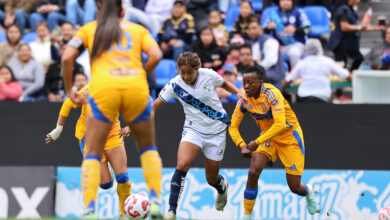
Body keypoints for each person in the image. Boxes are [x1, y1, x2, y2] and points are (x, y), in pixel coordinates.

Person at [61, 0, 163, 217]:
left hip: (104, 88)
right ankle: (155, 200)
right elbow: (156, 55)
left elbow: (67, 57)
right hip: (135, 87)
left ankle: (89, 209)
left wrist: (70, 89)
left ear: (98, 8)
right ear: (123, 10)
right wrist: (140, 74)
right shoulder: (137, 29)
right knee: (147, 148)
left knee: (92, 152)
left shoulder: (90, 29)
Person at [152, 52, 246, 219]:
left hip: (216, 131)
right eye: (183, 72)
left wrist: (238, 91)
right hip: (193, 129)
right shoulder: (175, 85)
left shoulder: (208, 75)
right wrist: (135, 124)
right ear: (178, 70)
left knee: (211, 179)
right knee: (182, 164)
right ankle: (171, 211)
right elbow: (155, 105)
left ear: (197, 69)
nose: (186, 76)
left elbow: (225, 83)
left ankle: (222, 186)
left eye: (190, 72)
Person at [228, 65, 319, 220]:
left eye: (251, 83)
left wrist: (256, 142)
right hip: (268, 137)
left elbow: (280, 124)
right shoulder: (243, 98)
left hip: (290, 138)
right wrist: (241, 145)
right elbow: (232, 127)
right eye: (244, 82)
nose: (246, 86)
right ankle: (247, 216)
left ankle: (308, 192)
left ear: (260, 83)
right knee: (253, 172)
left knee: (294, 187)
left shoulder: (272, 94)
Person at [45, 81, 136, 218]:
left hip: (112, 134)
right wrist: (58, 129)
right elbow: (68, 104)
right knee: (105, 184)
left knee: (123, 176)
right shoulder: (91, 89)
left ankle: (124, 214)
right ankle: (105, 172)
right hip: (89, 136)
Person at [282, 38, 350, 103]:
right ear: (320, 48)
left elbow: (288, 80)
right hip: (322, 97)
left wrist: (282, 91)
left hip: (304, 97)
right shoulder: (327, 61)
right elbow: (345, 74)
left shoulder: (302, 63)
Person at [328, 0, 380, 72]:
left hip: (348, 44)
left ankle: (350, 75)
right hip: (340, 43)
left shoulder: (351, 9)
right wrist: (359, 27)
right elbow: (344, 27)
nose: (358, 1)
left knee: (359, 59)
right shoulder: (343, 10)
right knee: (342, 66)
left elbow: (357, 25)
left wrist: (377, 27)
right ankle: (346, 78)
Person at [262, 0, 311, 67]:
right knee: (269, 53)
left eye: (288, 0)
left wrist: (295, 30)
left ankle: (297, 75)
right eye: (283, 0)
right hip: (279, 46)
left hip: (297, 44)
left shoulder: (299, 12)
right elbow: (262, 32)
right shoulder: (273, 14)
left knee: (293, 53)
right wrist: (268, 28)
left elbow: (308, 30)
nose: (285, 2)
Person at [247, 19, 285, 85]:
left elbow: (271, 61)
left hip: (273, 75)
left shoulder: (269, 41)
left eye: (254, 28)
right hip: (262, 74)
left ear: (261, 28)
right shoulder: (251, 43)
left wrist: (255, 70)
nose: (251, 31)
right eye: (249, 29)